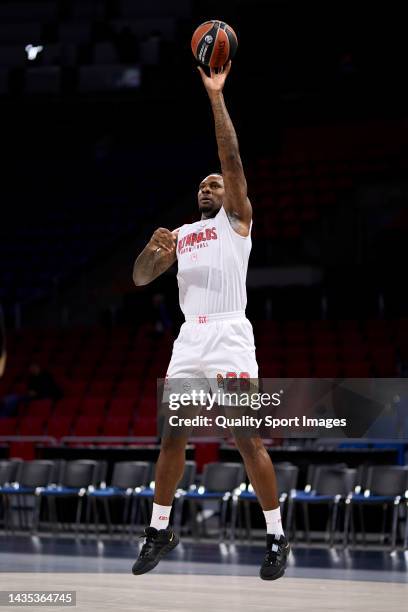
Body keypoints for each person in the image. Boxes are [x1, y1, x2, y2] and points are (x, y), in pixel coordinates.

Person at [131, 61, 289, 580]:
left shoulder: (236, 221)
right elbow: (139, 278)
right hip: (190, 337)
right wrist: (153, 254)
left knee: (247, 439)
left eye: (216, 184)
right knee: (172, 436)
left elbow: (231, 156)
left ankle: (276, 536)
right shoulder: (180, 233)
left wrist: (215, 95)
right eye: (203, 184)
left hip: (230, 331)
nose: (208, 186)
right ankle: (159, 529)